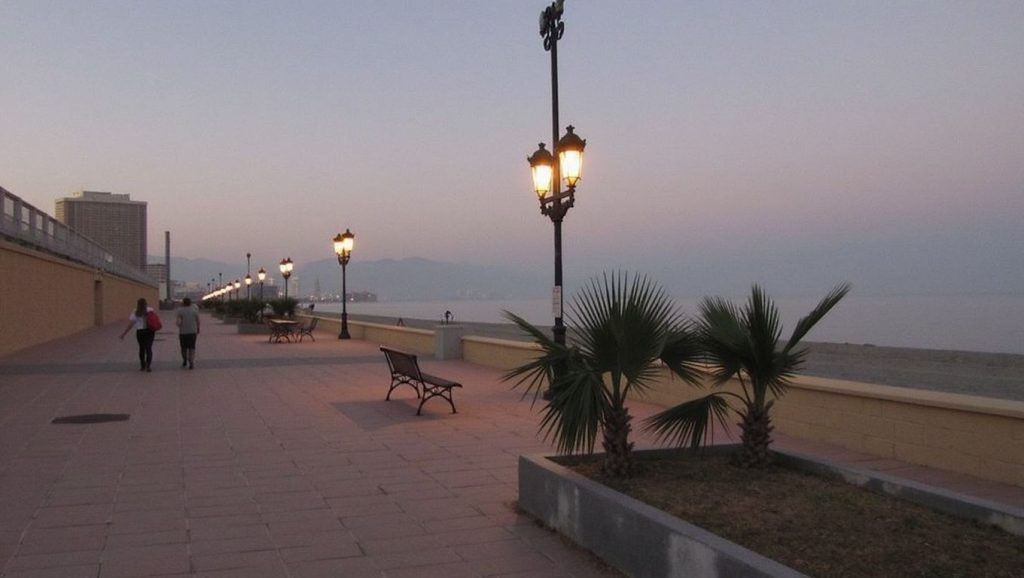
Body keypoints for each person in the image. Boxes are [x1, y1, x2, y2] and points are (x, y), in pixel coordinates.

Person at [120, 298, 156, 372]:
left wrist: (124, 333)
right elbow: (154, 319)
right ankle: (148, 366)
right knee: (149, 348)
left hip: (140, 332)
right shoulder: (150, 310)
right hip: (149, 331)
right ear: (146, 303)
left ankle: (142, 365)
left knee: (142, 348)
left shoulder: (135, 311)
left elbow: (131, 324)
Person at [175, 297, 200, 369]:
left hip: (183, 332)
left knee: (183, 347)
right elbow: (198, 321)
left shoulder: (180, 310)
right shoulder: (194, 310)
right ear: (190, 303)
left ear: (183, 302)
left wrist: (180, 324)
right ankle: (191, 361)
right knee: (192, 347)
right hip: (192, 331)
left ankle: (185, 359)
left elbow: (178, 322)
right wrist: (198, 328)